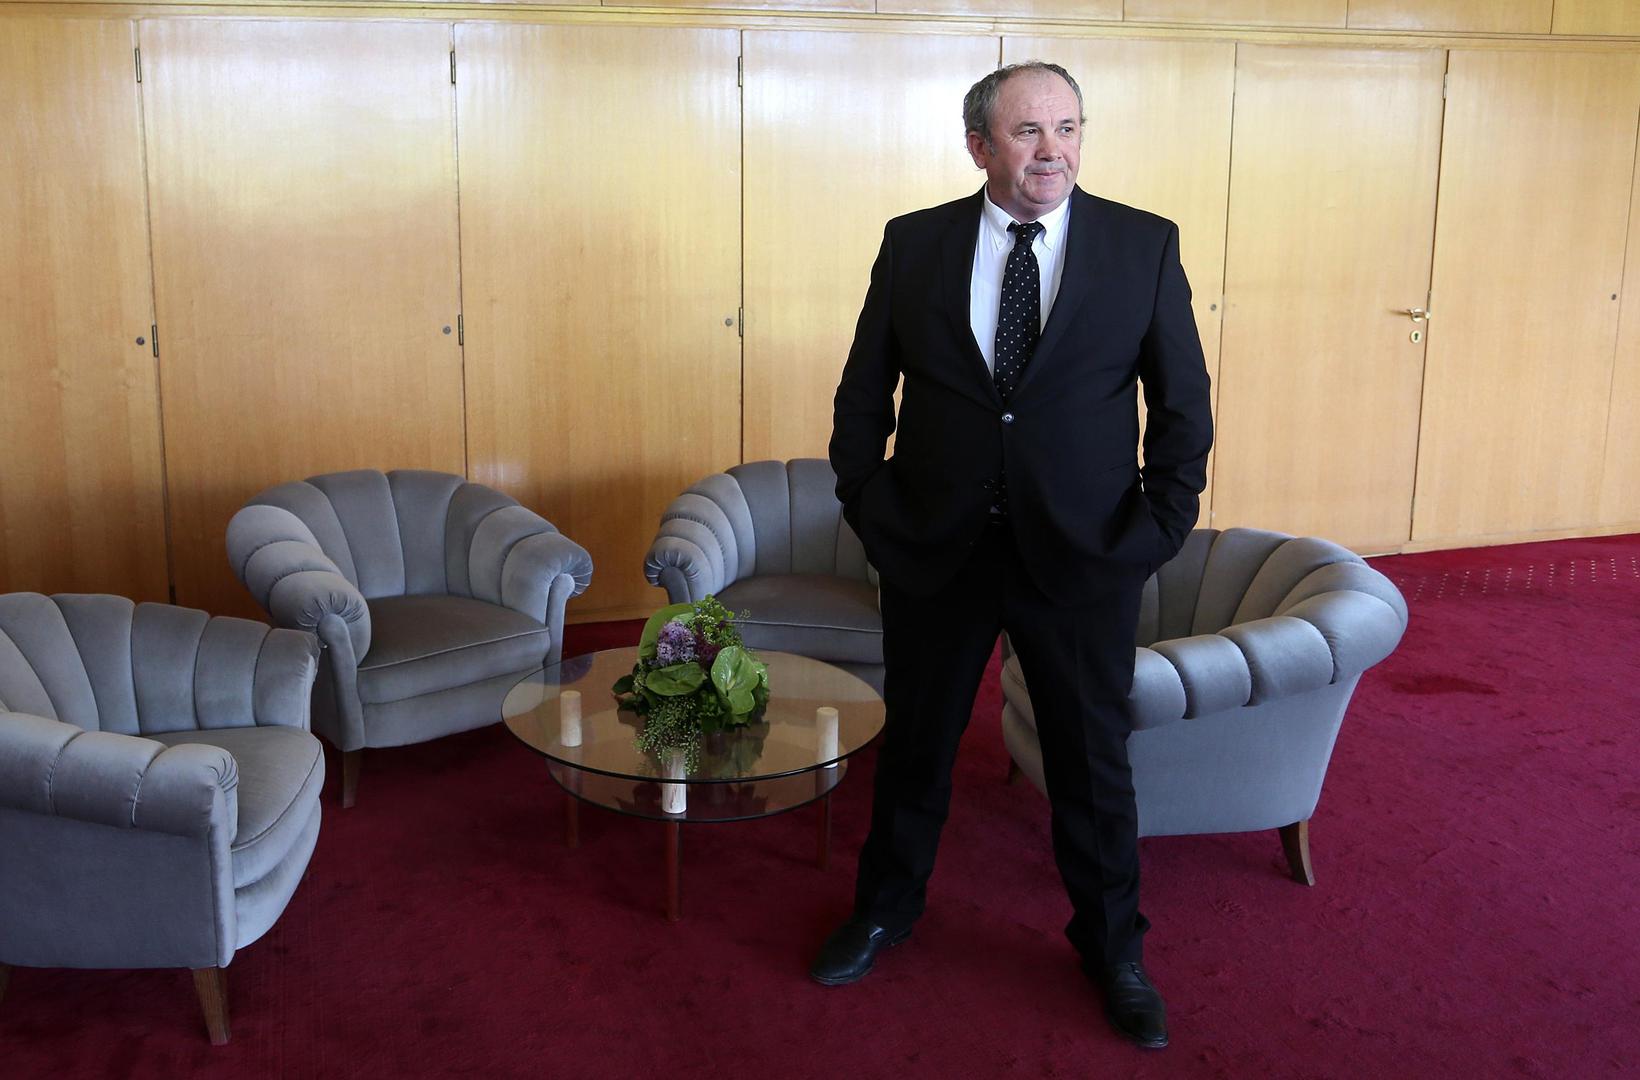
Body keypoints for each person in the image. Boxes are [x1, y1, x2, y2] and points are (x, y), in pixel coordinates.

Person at [813, 61, 1214, 1050]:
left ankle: (1113, 950)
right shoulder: (914, 243)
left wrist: (1155, 530)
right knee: (916, 748)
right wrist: (869, 501)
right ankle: (883, 911)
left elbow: (1181, 405)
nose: (1052, 151)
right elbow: (863, 390)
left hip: (1082, 557)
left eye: (1067, 128)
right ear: (978, 145)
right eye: (1028, 131)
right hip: (936, 550)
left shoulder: (1142, 244)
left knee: (1091, 764)